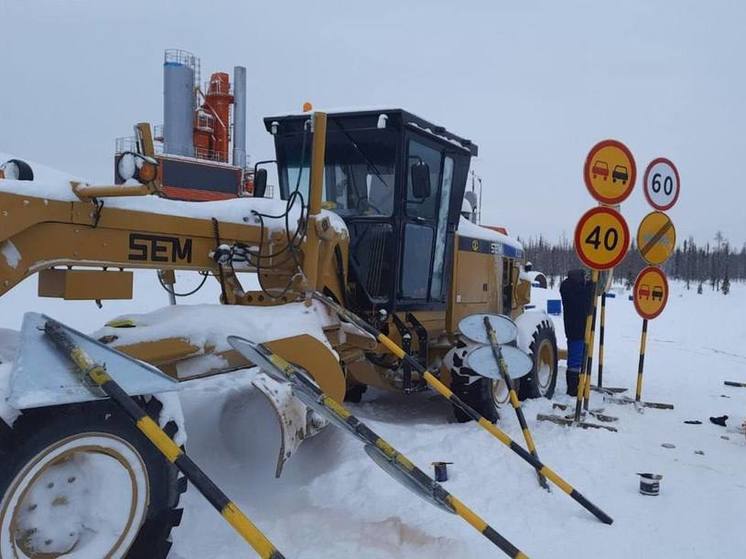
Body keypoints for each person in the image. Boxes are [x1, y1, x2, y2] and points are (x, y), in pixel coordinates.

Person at [560, 269, 593, 396]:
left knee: (575, 360)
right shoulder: (573, 290)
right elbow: (582, 302)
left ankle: (575, 386)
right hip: (577, 329)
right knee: (575, 361)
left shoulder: (568, 287)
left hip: (573, 328)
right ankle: (573, 389)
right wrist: (590, 287)